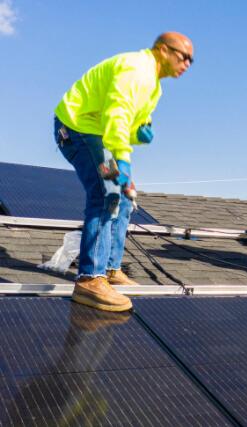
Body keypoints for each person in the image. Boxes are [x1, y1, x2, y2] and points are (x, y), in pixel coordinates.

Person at [54, 32, 194, 312]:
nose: (188, 64)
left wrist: (140, 133)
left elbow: (126, 126)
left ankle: (109, 269)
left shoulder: (154, 86)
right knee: (106, 194)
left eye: (192, 60)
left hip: (99, 136)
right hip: (78, 128)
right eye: (184, 57)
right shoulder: (137, 69)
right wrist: (125, 168)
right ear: (163, 50)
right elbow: (116, 118)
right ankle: (89, 280)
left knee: (123, 200)